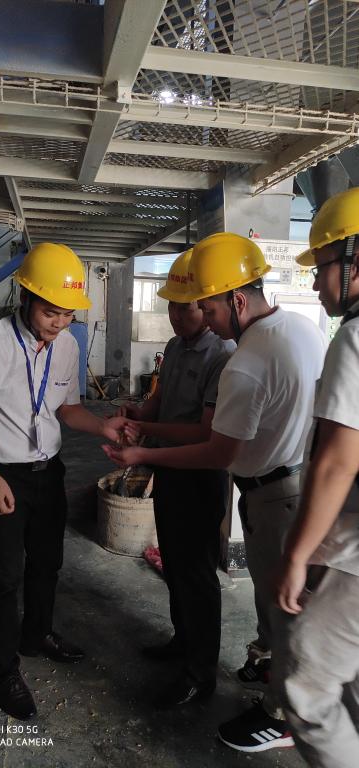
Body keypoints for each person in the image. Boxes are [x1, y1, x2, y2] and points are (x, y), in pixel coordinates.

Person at [105, 232, 326, 751]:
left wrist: (141, 452)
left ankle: (250, 696)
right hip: (273, 482)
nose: (201, 317)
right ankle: (201, 649)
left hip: (253, 485)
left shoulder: (237, 358)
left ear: (237, 300)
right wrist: (141, 418)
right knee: (213, 580)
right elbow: (167, 405)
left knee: (264, 599)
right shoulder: (298, 330)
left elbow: (214, 448)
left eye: (204, 307)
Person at [0, 243, 128, 720]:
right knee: (4, 577)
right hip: (1, 474)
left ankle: (37, 634)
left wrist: (103, 427)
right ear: (25, 298)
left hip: (49, 472)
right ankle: (5, 668)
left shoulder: (67, 346)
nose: (59, 323)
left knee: (47, 564)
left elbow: (66, 409)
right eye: (51, 312)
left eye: (68, 314)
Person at [121, 249, 235, 709]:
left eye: (184, 308)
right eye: (170, 305)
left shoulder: (222, 354)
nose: (174, 315)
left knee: (197, 573)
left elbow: (204, 433)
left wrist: (146, 434)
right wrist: (136, 414)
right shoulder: (174, 347)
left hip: (200, 475)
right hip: (168, 470)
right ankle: (182, 640)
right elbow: (160, 400)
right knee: (174, 561)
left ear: (205, 306)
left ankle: (200, 673)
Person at [277, 187, 359, 768]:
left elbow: (337, 461)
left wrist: (297, 554)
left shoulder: (355, 337)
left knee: (307, 687)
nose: (315, 283)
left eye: (323, 265)